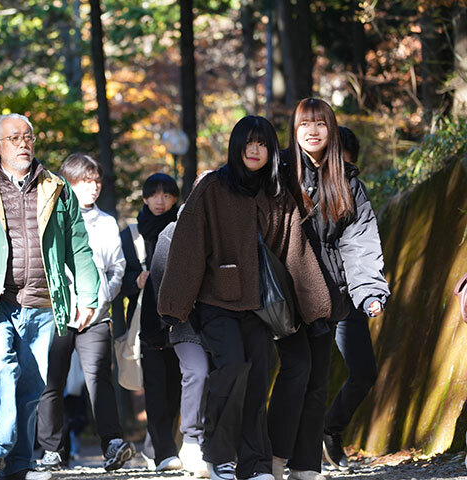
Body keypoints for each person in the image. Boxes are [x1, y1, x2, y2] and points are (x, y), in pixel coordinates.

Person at [157, 115, 332, 480]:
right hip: (215, 302)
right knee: (232, 368)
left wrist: (316, 309)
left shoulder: (278, 194)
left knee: (258, 378)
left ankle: (255, 465)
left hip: (258, 306)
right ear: (236, 146)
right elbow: (188, 246)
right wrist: (174, 305)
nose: (255, 150)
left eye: (263, 144)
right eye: (249, 143)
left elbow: (296, 253)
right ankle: (218, 454)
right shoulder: (212, 188)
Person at [0, 113, 100, 480]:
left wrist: (88, 296)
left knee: (31, 387)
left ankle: (17, 465)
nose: (23, 144)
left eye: (28, 137)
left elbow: (78, 246)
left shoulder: (57, 189)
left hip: (42, 302)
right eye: (14, 138)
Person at [268, 99, 390, 480]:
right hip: (285, 292)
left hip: (328, 296)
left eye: (321, 124)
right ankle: (273, 458)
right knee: (295, 371)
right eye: (305, 124)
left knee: (317, 381)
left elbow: (359, 241)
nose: (313, 131)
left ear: (331, 130)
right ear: (295, 129)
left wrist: (369, 291)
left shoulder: (346, 181)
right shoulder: (278, 170)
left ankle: (306, 465)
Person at [36, 152, 135, 472]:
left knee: (99, 380)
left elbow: (117, 268)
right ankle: (52, 450)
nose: (93, 187)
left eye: (97, 181)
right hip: (57, 313)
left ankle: (112, 444)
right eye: (85, 181)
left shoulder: (107, 222)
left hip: (97, 315)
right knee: (51, 382)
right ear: (67, 182)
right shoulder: (49, 216)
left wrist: (101, 298)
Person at [319, 126, 379, 470]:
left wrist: (369, 289)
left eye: (347, 164)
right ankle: (295, 449)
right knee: (306, 375)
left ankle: (331, 429)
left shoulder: (355, 191)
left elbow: (362, 242)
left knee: (364, 372)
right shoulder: (301, 188)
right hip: (311, 296)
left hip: (349, 294)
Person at [149, 171, 214, 478]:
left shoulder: (231, 227)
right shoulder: (173, 231)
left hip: (223, 321)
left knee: (231, 375)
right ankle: (190, 441)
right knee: (196, 373)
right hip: (185, 324)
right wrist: (170, 318)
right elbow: (158, 278)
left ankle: (220, 445)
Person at [119, 173, 183, 473]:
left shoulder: (184, 227)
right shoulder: (131, 234)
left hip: (181, 320)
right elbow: (118, 276)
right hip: (146, 321)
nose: (161, 201)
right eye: (155, 195)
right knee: (155, 386)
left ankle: (164, 445)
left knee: (177, 387)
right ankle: (164, 451)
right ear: (145, 198)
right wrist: (136, 280)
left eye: (167, 195)